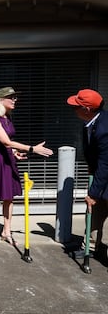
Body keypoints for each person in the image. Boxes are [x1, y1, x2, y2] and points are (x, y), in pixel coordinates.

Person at [0, 87, 53, 247]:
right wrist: (31, 148)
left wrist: (15, 152)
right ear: (0, 100)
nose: (15, 100)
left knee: (9, 197)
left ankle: (6, 231)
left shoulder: (7, 118)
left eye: (15, 97)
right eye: (11, 97)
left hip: (8, 159)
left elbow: (8, 145)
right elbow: (5, 142)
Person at [67, 89, 108, 262]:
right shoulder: (91, 123)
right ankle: (91, 247)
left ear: (87, 109)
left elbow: (106, 162)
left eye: (76, 106)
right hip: (101, 174)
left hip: (105, 173)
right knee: (95, 211)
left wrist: (93, 193)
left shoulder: (104, 128)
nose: (73, 109)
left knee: (96, 203)